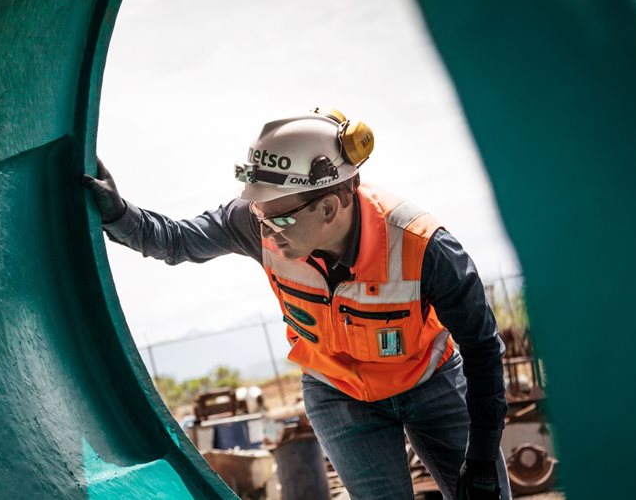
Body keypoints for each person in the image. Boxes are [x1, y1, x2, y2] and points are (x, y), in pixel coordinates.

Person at [83, 108, 512, 500]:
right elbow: (176, 240)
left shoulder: (425, 248)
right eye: (259, 215)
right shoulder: (256, 220)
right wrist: (118, 214)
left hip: (429, 383)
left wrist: (481, 456)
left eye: (280, 219)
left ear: (329, 207)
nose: (266, 231)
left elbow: (482, 349)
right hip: (338, 392)